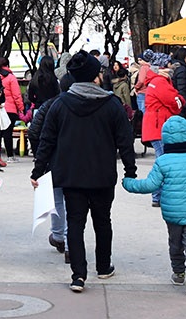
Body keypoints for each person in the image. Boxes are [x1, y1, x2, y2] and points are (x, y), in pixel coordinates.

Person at [30, 51, 139, 293]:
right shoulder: (111, 105)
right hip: (102, 175)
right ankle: (103, 267)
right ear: (96, 77)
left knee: (75, 223)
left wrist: (38, 171)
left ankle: (78, 275)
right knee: (103, 221)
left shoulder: (60, 104)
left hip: (71, 174)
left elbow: (46, 140)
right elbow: (125, 140)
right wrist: (130, 171)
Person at [122, 116, 186, 297]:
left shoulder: (163, 161)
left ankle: (179, 272)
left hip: (172, 214)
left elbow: (150, 185)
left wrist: (128, 183)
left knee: (175, 243)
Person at [27, 76, 70, 259]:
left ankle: (59, 236)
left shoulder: (51, 105)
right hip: (77, 160)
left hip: (53, 159)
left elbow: (35, 132)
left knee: (57, 199)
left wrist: (39, 162)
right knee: (72, 202)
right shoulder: (84, 105)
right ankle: (70, 242)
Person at [140, 54, 185, 207]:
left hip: (156, 125)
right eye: (169, 64)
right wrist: (181, 99)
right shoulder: (160, 82)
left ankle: (158, 195)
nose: (171, 67)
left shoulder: (156, 80)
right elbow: (174, 101)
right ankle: (158, 195)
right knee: (163, 162)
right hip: (159, 126)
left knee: (162, 161)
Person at [0, 56, 25, 158]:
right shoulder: (11, 78)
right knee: (8, 132)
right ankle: (10, 156)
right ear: (8, 65)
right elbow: (17, 95)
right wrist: (21, 108)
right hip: (11, 109)